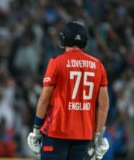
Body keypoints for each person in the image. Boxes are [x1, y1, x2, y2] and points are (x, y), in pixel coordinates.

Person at [27, 21, 110, 160]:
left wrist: (36, 130)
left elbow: (44, 100)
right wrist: (98, 136)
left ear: (64, 39)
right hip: (84, 135)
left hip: (56, 132)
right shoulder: (98, 65)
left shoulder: (56, 62)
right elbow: (104, 105)